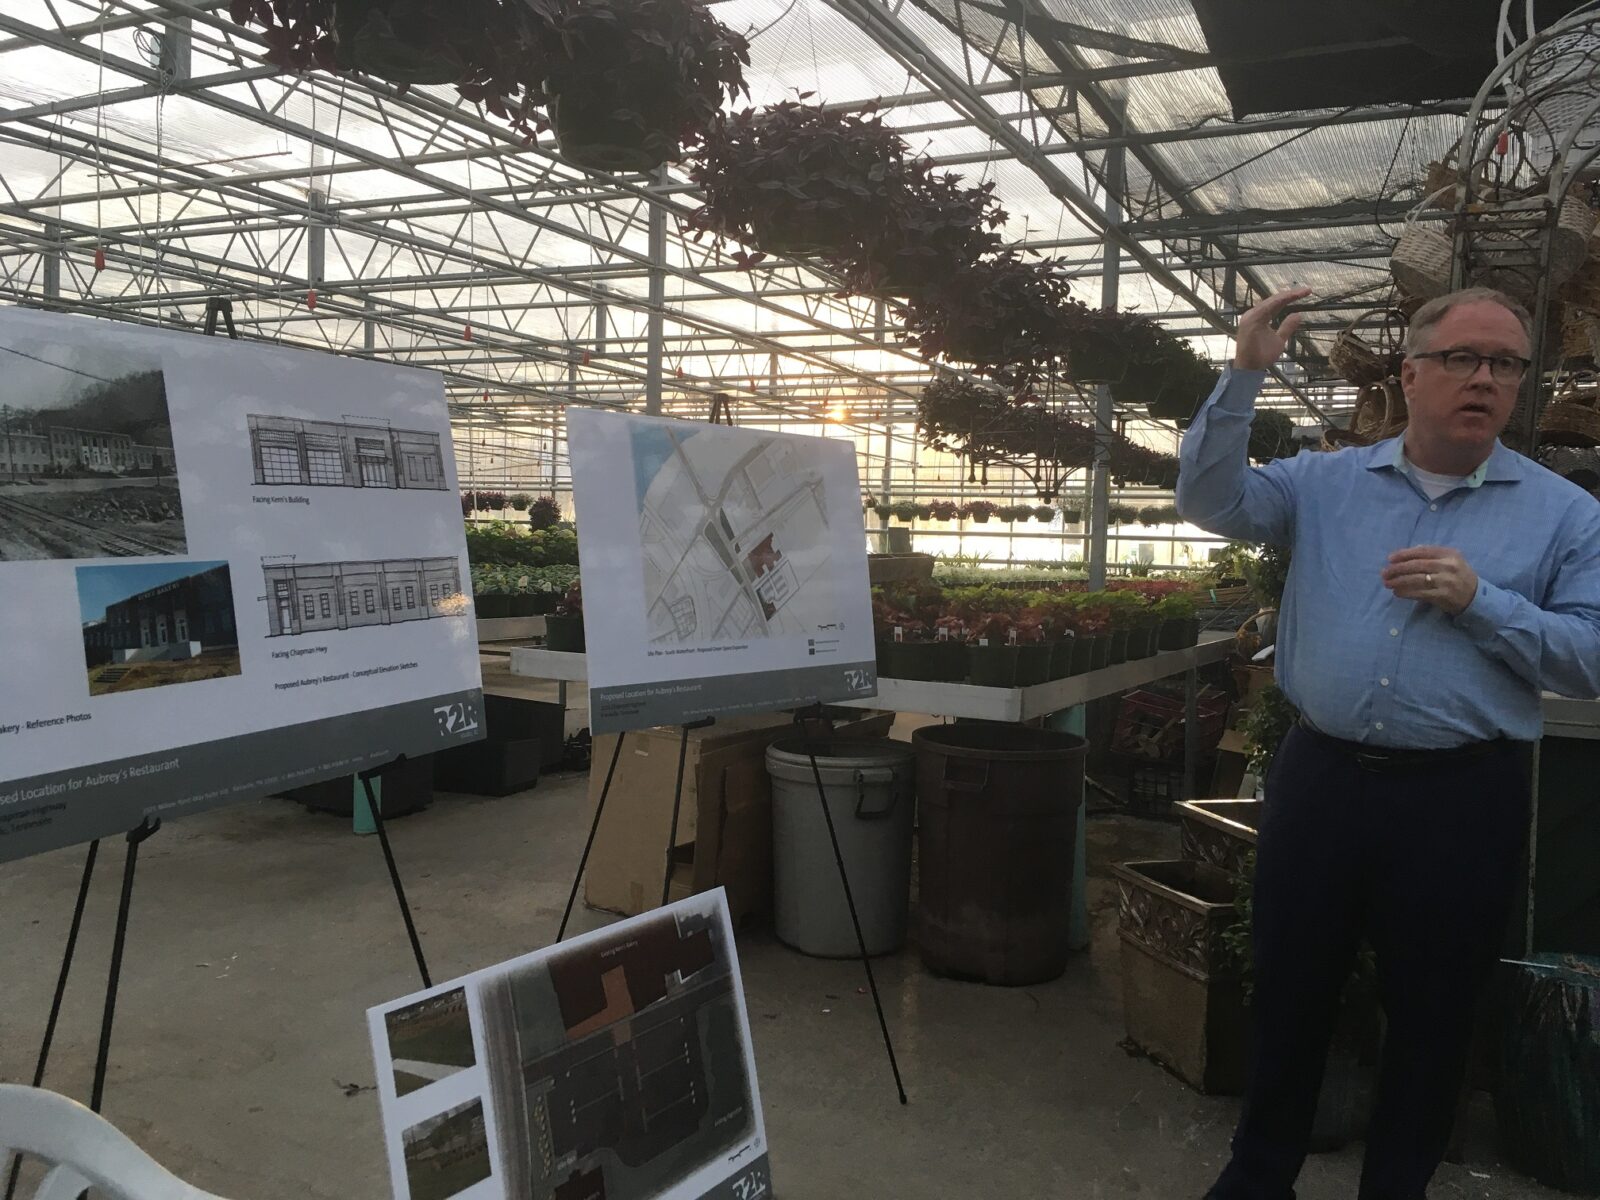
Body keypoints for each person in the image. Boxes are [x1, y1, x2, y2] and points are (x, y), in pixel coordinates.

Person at [1176, 285, 1600, 1200]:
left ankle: (1397, 1187)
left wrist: (1483, 603)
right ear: (1409, 375)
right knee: (1290, 986)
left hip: (1463, 794)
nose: (1484, 378)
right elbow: (1209, 498)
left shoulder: (1566, 514)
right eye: (1461, 358)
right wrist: (1243, 375)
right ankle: (1258, 1175)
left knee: (1436, 1010)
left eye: (1506, 364)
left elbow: (1591, 656)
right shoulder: (1323, 485)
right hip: (1322, 776)